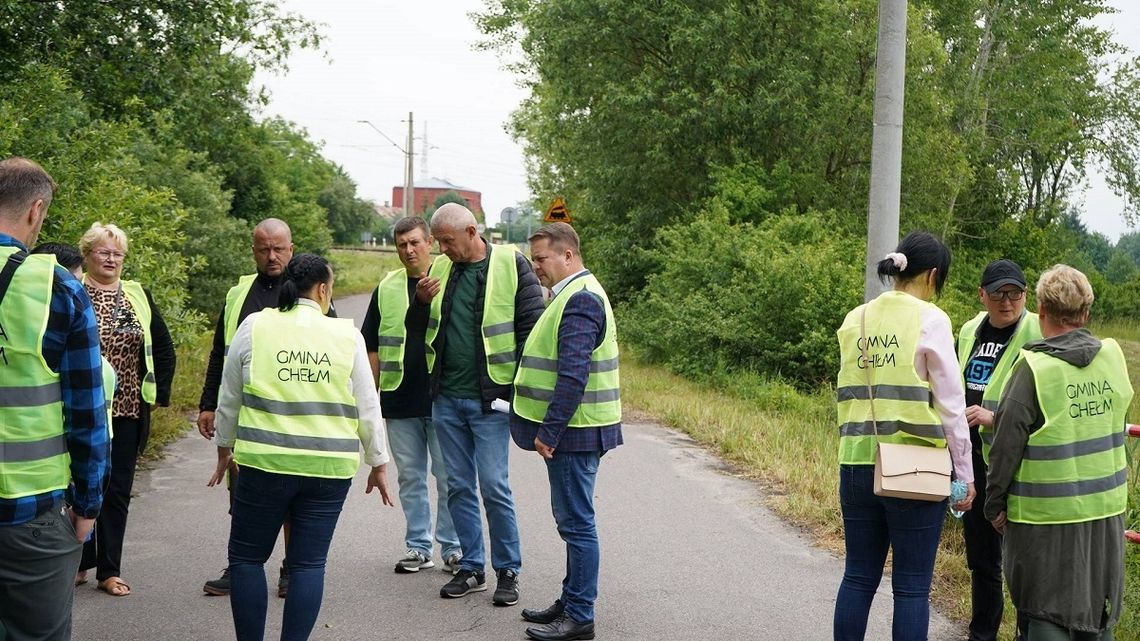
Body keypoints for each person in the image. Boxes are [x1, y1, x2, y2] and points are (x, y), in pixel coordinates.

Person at [208, 253, 393, 641]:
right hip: (328, 470)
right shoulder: (346, 335)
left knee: (246, 560)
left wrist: (225, 448)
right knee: (308, 566)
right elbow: (367, 405)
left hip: (263, 464)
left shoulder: (255, 326)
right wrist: (377, 462)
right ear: (323, 289)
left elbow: (229, 397)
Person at [832, 231, 975, 641]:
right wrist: (963, 475)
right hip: (916, 466)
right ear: (932, 275)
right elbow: (951, 406)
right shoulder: (931, 319)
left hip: (856, 461)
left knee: (858, 577)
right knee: (911, 587)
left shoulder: (854, 320)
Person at [985, 264, 1133, 641]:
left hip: (1043, 524)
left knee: (1045, 613)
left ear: (1042, 311)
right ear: (1086, 313)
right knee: (1098, 616)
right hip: (1105, 518)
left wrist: (995, 504)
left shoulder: (1034, 369)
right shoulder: (1113, 360)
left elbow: (1005, 446)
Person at [0, 157, 110, 640]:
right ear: (35, 209)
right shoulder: (56, 287)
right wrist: (86, 508)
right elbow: (87, 413)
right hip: (31, 516)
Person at [417, 203, 544, 605]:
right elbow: (419, 329)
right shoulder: (438, 268)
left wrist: (517, 392)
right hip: (447, 399)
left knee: (493, 485)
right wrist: (418, 303)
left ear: (472, 232)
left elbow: (531, 329)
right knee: (456, 486)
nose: (442, 248)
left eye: (448, 241)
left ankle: (508, 570)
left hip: (492, 401)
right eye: (438, 241)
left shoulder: (511, 263)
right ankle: (472, 566)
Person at [511, 223, 623, 641]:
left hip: (574, 433)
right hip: (576, 431)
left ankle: (579, 616)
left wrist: (550, 432)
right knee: (572, 522)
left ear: (568, 257)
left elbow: (573, 376)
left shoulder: (579, 302)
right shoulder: (574, 295)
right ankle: (570, 599)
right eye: (534, 259)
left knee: (576, 524)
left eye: (541, 258)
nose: (535, 266)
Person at [198, 218, 301, 597]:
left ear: (291, 248)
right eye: (264, 249)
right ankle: (239, 567)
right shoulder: (238, 292)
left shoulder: (306, 290)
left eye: (279, 249)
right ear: (254, 249)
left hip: (291, 415)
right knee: (240, 495)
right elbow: (219, 352)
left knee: (290, 497)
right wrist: (209, 404)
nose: (272, 256)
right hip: (243, 415)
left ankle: (292, 569)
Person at [76, 223, 175, 597]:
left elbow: (163, 347)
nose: (112, 259)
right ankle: (79, 563)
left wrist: (160, 392)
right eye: (104, 252)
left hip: (129, 410)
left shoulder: (137, 295)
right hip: (83, 410)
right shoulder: (73, 291)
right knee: (80, 485)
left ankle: (108, 570)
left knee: (117, 491)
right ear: (87, 255)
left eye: (117, 253)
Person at [361, 217, 462, 574]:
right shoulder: (387, 287)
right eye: (402, 244)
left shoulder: (451, 277)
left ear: (430, 242)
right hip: (399, 397)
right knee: (411, 476)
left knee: (449, 477)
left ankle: (453, 546)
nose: (409, 250)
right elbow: (371, 346)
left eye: (415, 242)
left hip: (442, 396)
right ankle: (418, 546)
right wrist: (368, 399)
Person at [956, 259, 1039, 641]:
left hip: (1018, 466)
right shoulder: (970, 329)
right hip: (973, 461)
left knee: (1024, 564)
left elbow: (1047, 403)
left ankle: (1026, 633)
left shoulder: (1038, 330)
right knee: (983, 561)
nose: (1007, 302)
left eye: (1015, 293)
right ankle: (982, 633)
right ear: (982, 295)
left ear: (1026, 294)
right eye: (998, 294)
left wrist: (996, 417)